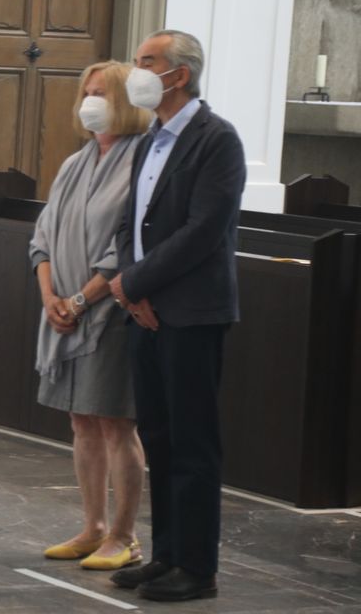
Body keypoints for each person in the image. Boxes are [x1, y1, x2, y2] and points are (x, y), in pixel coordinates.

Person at [108, 30, 246, 602]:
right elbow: (130, 221)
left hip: (191, 312)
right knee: (159, 437)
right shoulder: (150, 139)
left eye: (147, 62)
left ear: (179, 74)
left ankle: (197, 566)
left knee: (192, 442)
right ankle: (166, 553)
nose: (136, 71)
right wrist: (129, 288)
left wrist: (136, 282)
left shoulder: (217, 139)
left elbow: (203, 231)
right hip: (146, 311)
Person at [30, 61, 150, 572]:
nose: (89, 102)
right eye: (86, 93)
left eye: (101, 93)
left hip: (110, 313)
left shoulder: (140, 161)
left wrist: (81, 300)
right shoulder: (74, 163)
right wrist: (50, 297)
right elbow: (42, 237)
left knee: (115, 422)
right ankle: (93, 526)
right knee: (81, 421)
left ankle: (125, 535)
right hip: (62, 310)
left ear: (125, 101)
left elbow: (128, 245)